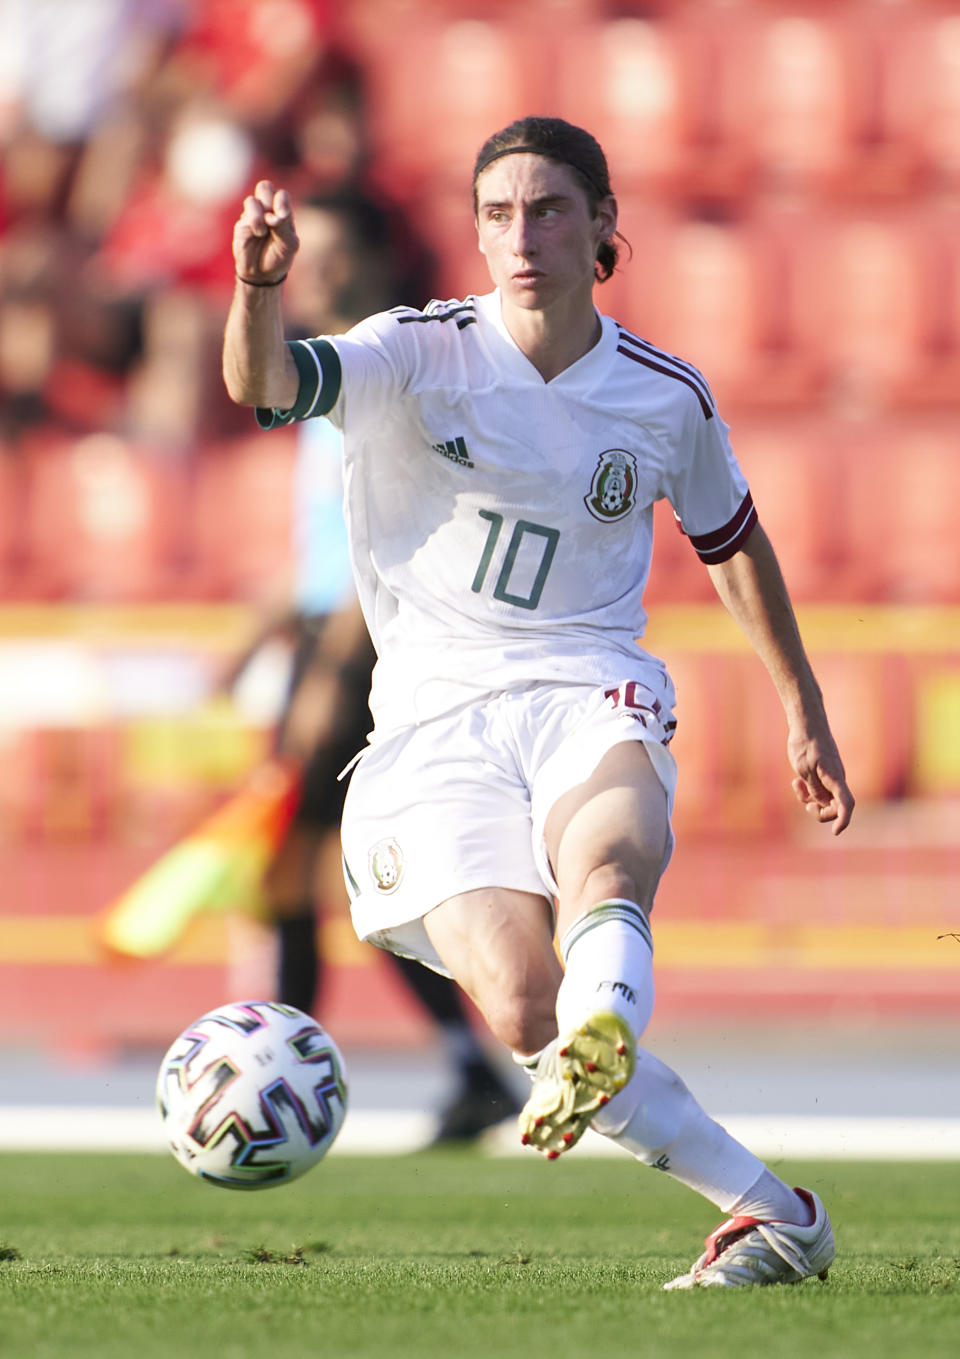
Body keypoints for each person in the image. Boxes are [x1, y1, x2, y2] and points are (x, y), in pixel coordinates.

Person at [223, 116, 855, 1289]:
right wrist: (258, 293)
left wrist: (802, 708)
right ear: (475, 233)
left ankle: (605, 1019)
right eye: (501, 214)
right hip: (429, 720)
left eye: (552, 209)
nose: (524, 235)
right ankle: (778, 1214)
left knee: (607, 864)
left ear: (605, 227)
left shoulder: (664, 396)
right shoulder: (411, 352)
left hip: (584, 680)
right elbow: (263, 386)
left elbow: (733, 540)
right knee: (523, 1004)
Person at [224, 192, 521, 1142]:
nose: (316, 267)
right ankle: (464, 1060)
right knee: (327, 877)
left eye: (336, 250)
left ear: (376, 263)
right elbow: (332, 538)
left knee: (302, 873)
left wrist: (325, 675)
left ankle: (281, 1064)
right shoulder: (324, 370)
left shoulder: (383, 367)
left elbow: (386, 547)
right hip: (321, 636)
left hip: (359, 648)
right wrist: (261, 629)